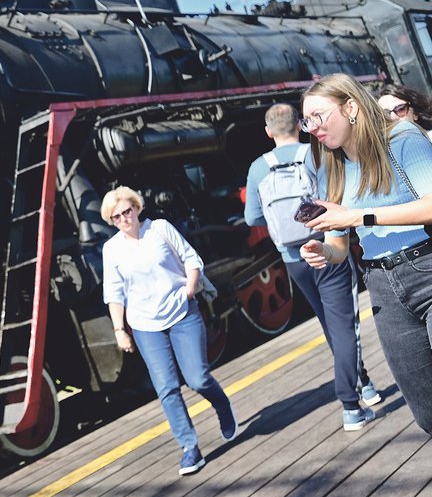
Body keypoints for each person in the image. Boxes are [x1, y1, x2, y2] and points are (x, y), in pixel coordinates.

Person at [298, 73, 432, 437]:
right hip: (383, 289)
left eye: (319, 116)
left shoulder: (403, 139)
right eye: (306, 120)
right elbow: (340, 245)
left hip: (427, 266)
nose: (312, 128)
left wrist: (358, 216)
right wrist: (323, 250)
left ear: (352, 107)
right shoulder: (333, 166)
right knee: (426, 411)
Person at [243, 103, 381, 431]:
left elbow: (252, 218)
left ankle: (362, 383)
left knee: (329, 323)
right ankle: (352, 402)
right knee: (345, 324)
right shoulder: (316, 154)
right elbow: (340, 195)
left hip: (294, 259)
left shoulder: (257, 168)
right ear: (300, 125)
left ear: (267, 132)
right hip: (328, 248)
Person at [101, 186, 238, 476]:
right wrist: (119, 330)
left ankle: (222, 405)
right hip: (145, 324)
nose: (124, 219)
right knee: (166, 387)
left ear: (137, 208)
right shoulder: (111, 249)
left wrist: (190, 288)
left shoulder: (160, 229)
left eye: (127, 211)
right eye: (116, 217)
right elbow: (114, 292)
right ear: (111, 221)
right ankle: (190, 447)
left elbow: (191, 259)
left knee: (198, 378)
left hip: (181, 312)